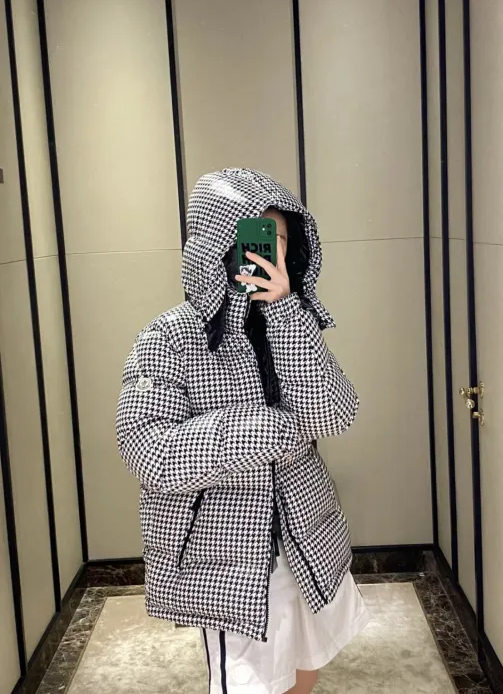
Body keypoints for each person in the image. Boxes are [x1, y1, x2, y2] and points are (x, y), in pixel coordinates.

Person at [116, 168, 370, 694]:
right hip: (227, 557)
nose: (268, 252)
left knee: (305, 664)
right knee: (249, 683)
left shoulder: (293, 321)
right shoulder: (169, 336)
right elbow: (148, 451)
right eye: (255, 238)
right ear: (216, 246)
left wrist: (285, 313)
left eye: (280, 240)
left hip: (306, 537)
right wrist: (266, 428)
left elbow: (334, 414)